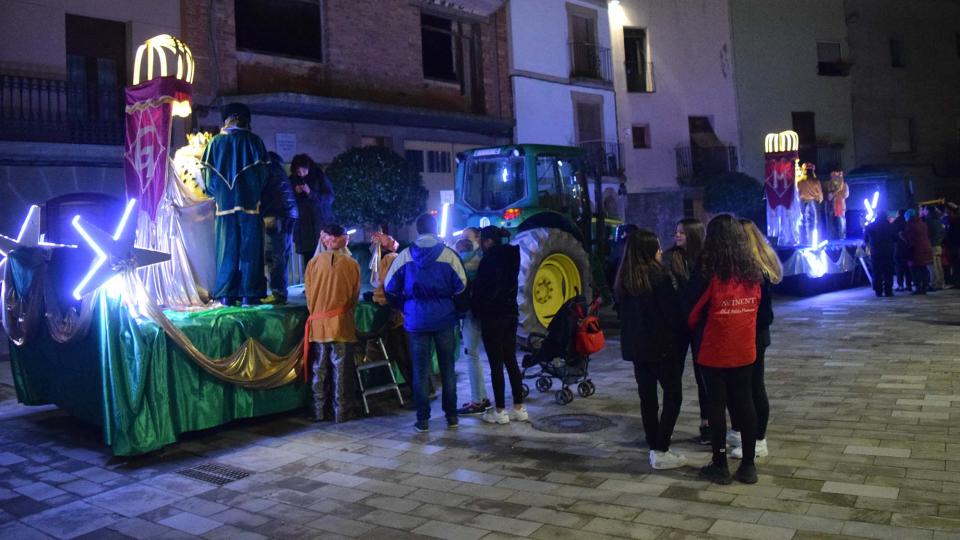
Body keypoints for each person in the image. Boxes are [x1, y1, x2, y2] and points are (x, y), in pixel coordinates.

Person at [688, 214, 763, 485]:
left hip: (714, 348)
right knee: (745, 403)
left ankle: (720, 464)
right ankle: (748, 465)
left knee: (716, 405)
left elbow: (693, 310)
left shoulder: (707, 270)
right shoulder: (751, 269)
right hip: (744, 347)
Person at [384, 213, 468, 432]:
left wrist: (403, 307)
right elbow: (462, 287)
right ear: (435, 229)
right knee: (447, 369)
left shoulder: (404, 256)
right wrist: (457, 312)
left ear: (418, 230)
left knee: (420, 370)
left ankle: (422, 419)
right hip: (444, 319)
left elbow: (389, 288)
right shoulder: (449, 256)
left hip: (415, 321)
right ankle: (451, 417)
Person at [615, 228, 686, 470]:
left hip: (637, 350)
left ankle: (653, 442)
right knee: (673, 395)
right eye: (657, 247)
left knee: (648, 398)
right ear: (647, 251)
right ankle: (661, 448)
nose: (661, 251)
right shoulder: (660, 277)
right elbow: (673, 314)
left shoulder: (624, 279)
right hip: (662, 347)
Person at [200, 102, 268, 307]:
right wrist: (253, 192)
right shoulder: (254, 141)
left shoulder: (214, 143)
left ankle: (226, 295)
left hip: (224, 206)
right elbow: (263, 174)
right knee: (251, 249)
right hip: (250, 205)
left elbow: (207, 175)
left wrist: (219, 194)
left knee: (226, 250)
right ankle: (249, 294)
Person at [727, 219, 780, 461]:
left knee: (754, 386)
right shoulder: (759, 264)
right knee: (747, 385)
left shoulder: (755, 269)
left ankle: (759, 439)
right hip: (755, 332)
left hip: (754, 332)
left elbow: (762, 311)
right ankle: (747, 432)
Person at [303, 224, 361, 423]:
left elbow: (309, 298)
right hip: (341, 325)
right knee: (341, 371)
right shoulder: (352, 264)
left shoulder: (313, 263)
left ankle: (318, 411)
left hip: (318, 325)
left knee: (319, 370)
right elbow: (354, 298)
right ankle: (341, 412)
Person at [471, 226, 527, 424]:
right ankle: (519, 407)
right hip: (510, 313)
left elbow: (482, 291)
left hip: (493, 316)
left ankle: (500, 410)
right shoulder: (512, 257)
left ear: (487, 241)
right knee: (511, 360)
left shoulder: (489, 261)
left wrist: (476, 308)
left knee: (496, 364)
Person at [664, 218, 710, 444]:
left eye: (682, 232)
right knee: (673, 375)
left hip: (701, 324)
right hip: (678, 325)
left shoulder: (706, 260)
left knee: (704, 375)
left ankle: (706, 422)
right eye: (676, 231)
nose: (677, 235)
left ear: (693, 234)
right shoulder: (671, 258)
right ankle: (667, 425)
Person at [454, 236, 490, 415]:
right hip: (487, 311)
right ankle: (483, 397)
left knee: (471, 354)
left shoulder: (460, 263)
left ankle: (478, 400)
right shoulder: (482, 260)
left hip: (470, 313)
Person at [261, 152, 299, 304]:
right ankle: (280, 291)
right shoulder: (280, 172)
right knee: (282, 254)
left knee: (275, 255)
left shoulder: (268, 171)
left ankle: (278, 293)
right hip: (289, 215)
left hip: (275, 215)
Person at [290, 154, 335, 266]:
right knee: (309, 261)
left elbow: (329, 197)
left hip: (320, 224)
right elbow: (287, 200)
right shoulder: (292, 180)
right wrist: (295, 192)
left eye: (304, 170)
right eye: (298, 171)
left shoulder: (319, 177)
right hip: (303, 227)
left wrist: (310, 193)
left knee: (323, 258)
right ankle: (311, 282)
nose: (301, 174)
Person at [864, 210, 898, 297]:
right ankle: (888, 290)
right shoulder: (890, 226)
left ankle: (878, 291)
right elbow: (895, 238)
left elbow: (865, 239)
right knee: (888, 272)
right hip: (888, 252)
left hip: (876, 252)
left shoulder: (870, 226)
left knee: (877, 271)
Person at [903, 208, 932, 295]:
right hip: (926, 247)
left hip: (916, 249)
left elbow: (910, 238)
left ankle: (918, 287)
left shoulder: (910, 224)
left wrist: (902, 236)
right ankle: (925, 286)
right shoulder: (923, 223)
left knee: (915, 268)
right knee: (923, 267)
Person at [797, 163, 823, 246]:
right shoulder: (816, 182)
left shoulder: (799, 182)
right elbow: (820, 196)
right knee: (813, 224)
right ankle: (812, 243)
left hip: (801, 204)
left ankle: (802, 242)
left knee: (802, 223)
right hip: (813, 204)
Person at [893, 210, 914, 291]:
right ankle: (909, 285)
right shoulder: (907, 222)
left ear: (898, 214)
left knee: (899, 268)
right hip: (907, 247)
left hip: (898, 248)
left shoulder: (895, 223)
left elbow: (893, 236)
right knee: (907, 268)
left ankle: (900, 285)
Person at [926, 206, 945, 291]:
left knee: (933, 266)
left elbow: (928, 233)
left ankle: (934, 284)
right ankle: (940, 282)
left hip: (932, 245)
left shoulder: (929, 221)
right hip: (939, 244)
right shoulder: (938, 220)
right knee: (938, 265)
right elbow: (943, 232)